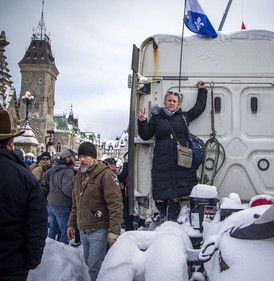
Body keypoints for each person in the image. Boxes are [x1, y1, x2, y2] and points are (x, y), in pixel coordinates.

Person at [138, 80, 207, 222]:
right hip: (162, 161)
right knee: (161, 195)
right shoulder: (156, 118)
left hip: (180, 161)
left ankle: (172, 224)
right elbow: (146, 135)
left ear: (179, 104)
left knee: (176, 195)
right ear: (165, 102)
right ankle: (164, 219)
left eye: (174, 101)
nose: (171, 103)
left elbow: (199, 108)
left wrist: (202, 91)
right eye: (169, 100)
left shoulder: (184, 117)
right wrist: (142, 121)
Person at [0, 110, 48, 281]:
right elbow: (37, 223)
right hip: (11, 264)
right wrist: (31, 260)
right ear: (11, 142)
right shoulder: (25, 177)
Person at [67, 142, 123, 281]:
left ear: (94, 157)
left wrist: (114, 230)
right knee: (88, 264)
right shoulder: (77, 177)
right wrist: (71, 224)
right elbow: (76, 205)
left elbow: (115, 204)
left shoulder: (105, 175)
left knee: (94, 267)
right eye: (80, 156)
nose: (82, 160)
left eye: (86, 156)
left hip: (99, 229)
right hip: (83, 229)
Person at [43, 148, 77, 244]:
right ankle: (63, 254)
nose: (75, 159)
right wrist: (76, 198)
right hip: (62, 204)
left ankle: (49, 250)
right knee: (64, 231)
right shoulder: (68, 171)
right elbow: (67, 189)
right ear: (67, 158)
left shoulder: (55, 167)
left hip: (51, 202)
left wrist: (53, 187)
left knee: (53, 229)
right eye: (73, 157)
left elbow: (45, 176)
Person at [117, 152, 135, 231]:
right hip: (130, 192)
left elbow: (122, 177)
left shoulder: (126, 167)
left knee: (128, 215)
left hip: (128, 194)